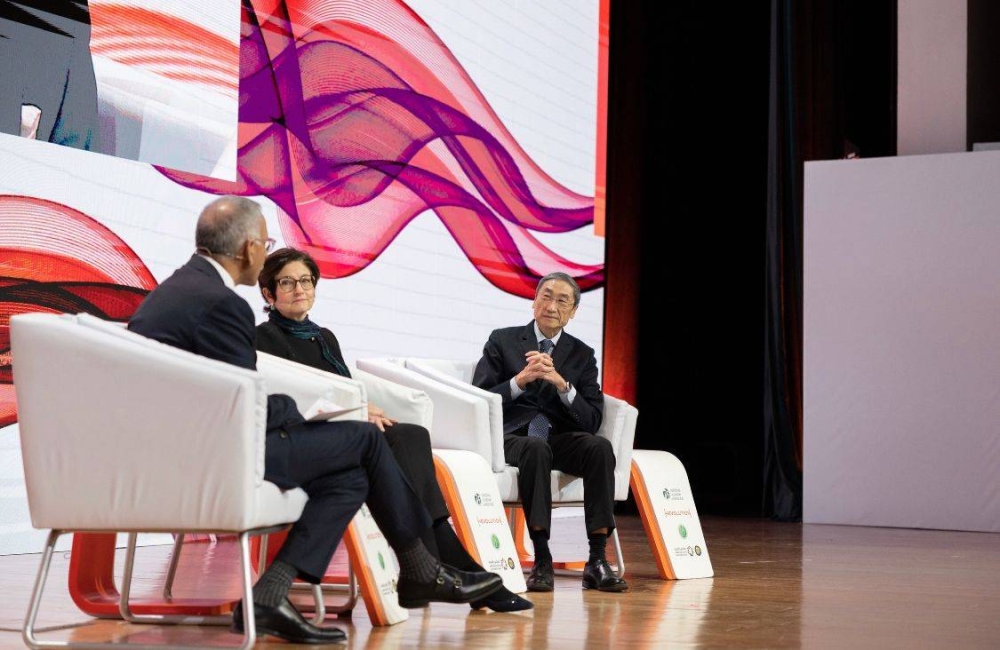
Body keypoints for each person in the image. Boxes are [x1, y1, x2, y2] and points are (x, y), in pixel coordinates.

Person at [128, 196, 502, 645]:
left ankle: (272, 594)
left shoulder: (178, 290)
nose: (266, 253)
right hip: (213, 454)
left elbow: (225, 393)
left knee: (349, 475)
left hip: (182, 446)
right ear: (248, 248)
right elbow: (243, 403)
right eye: (266, 244)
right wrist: (299, 413)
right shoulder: (221, 304)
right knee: (365, 441)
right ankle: (420, 568)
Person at [255, 247, 533, 613]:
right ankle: (438, 566)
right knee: (399, 441)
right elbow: (293, 395)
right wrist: (357, 409)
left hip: (348, 429)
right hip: (313, 436)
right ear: (269, 293)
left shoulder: (323, 337)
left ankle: (433, 566)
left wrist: (363, 406)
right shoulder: (264, 338)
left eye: (306, 281)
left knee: (411, 435)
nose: (299, 289)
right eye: (287, 283)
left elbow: (343, 384)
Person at [471, 272, 628, 593]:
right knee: (534, 448)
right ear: (534, 301)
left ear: (573, 312)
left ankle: (597, 560)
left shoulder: (582, 355)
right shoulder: (503, 340)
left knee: (599, 447)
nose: (552, 306)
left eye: (562, 301)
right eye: (546, 296)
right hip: (512, 437)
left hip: (558, 438)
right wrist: (520, 381)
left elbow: (591, 419)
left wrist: (562, 385)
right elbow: (478, 399)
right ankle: (542, 559)